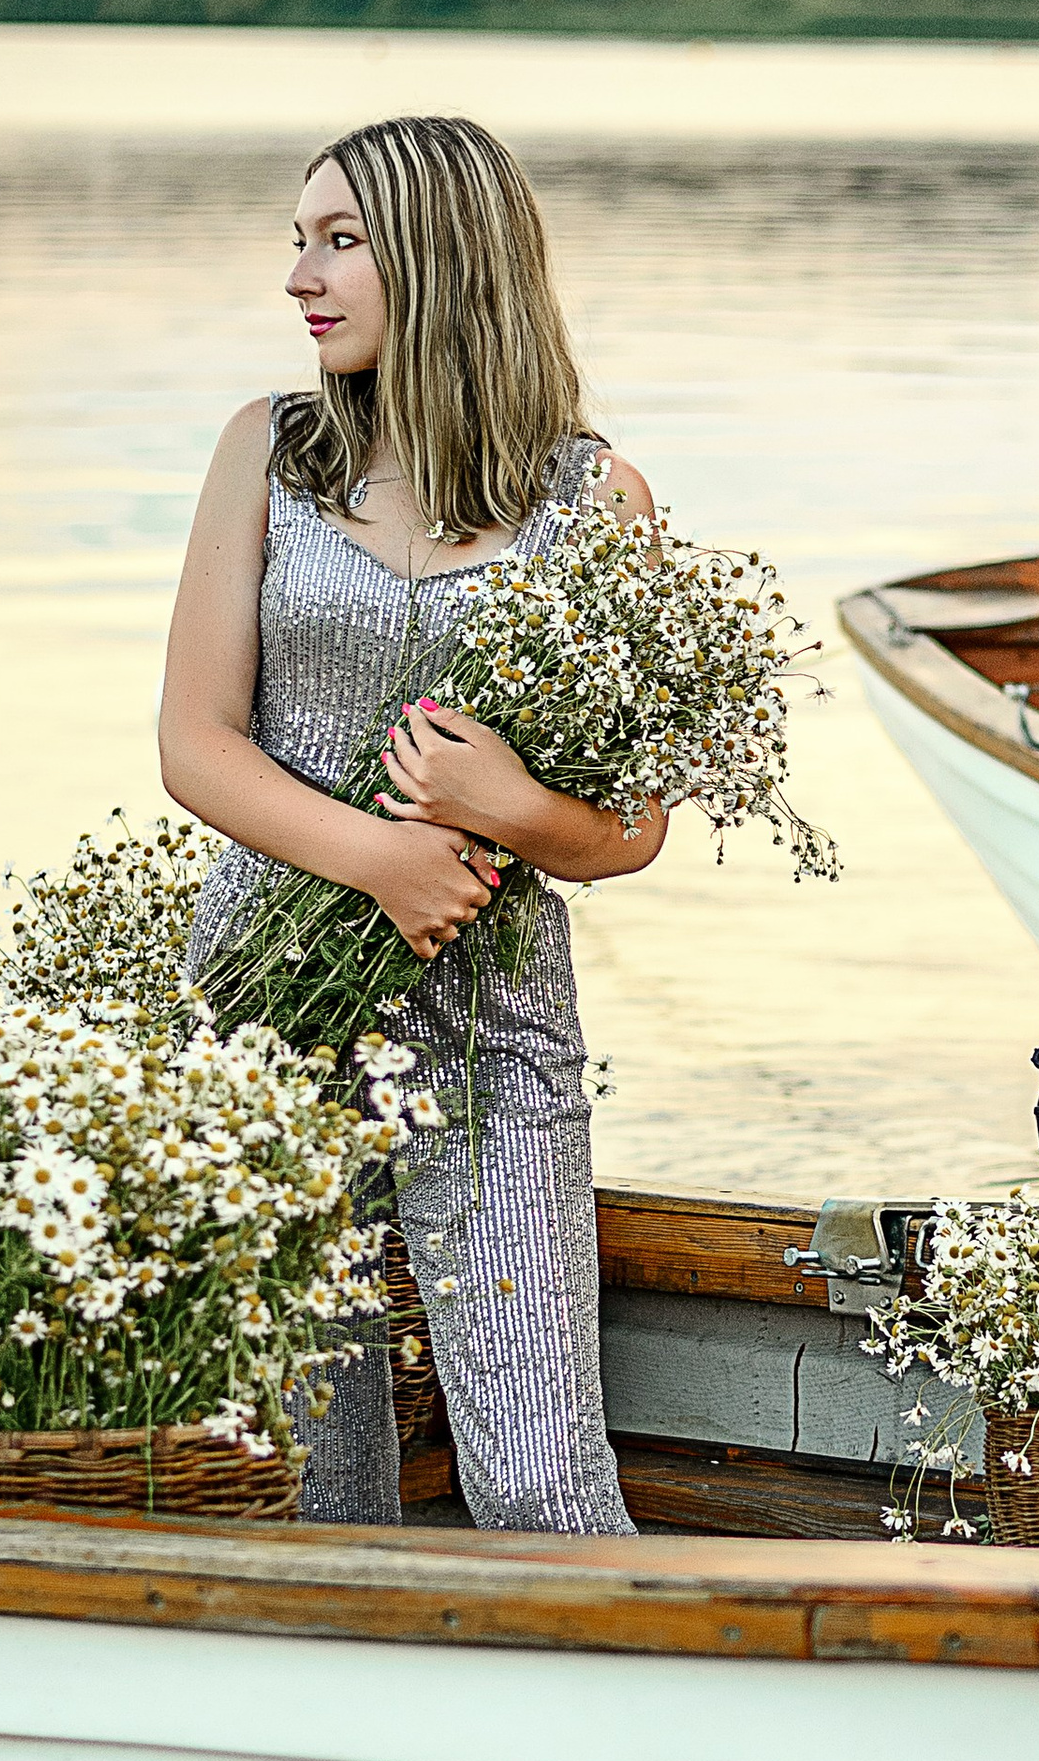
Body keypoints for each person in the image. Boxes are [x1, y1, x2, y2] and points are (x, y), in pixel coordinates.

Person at [159, 114, 663, 1534]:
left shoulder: (592, 501)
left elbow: (634, 828)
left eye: (340, 241)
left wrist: (513, 807)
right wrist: (382, 858)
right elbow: (195, 743)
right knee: (307, 1472)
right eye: (298, 243)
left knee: (542, 1476)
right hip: (269, 1009)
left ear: (443, 256)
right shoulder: (267, 452)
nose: (300, 278)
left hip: (497, 1033)